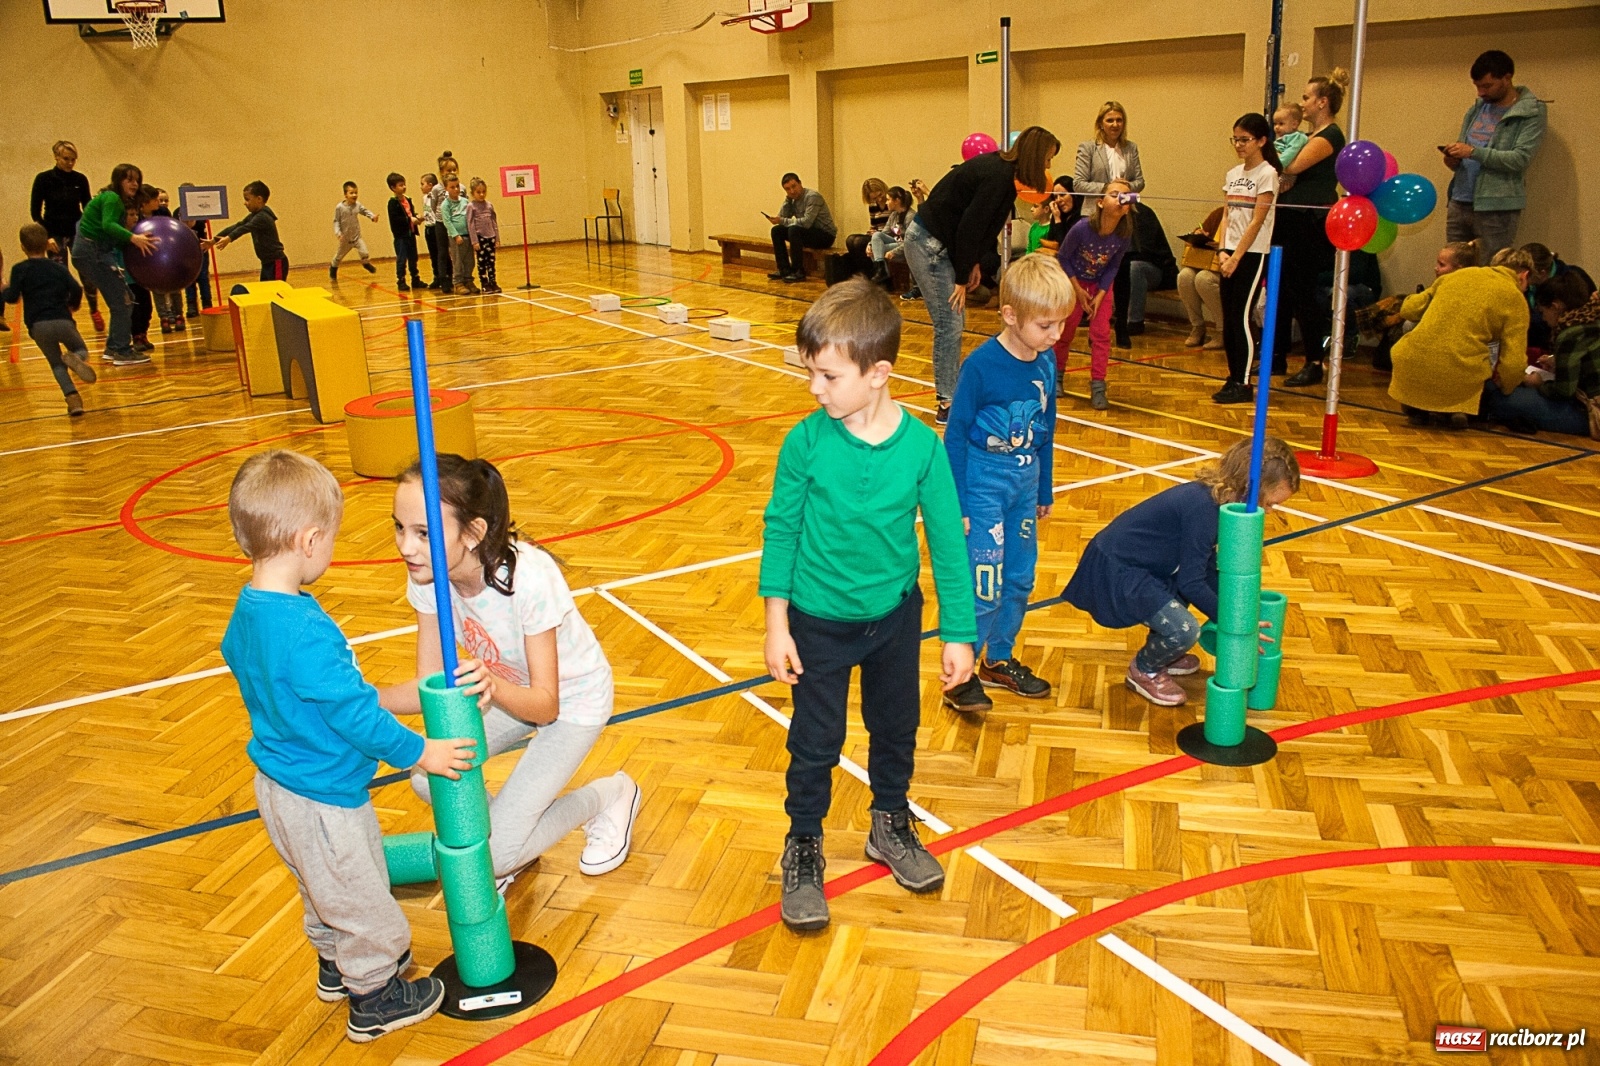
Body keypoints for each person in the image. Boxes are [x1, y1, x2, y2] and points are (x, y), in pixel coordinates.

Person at [219, 450, 475, 1042]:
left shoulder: (250, 609)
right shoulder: (303, 630)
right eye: (331, 537)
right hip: (325, 797)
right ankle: (376, 994)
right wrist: (422, 753)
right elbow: (359, 716)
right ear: (309, 540)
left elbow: (247, 665)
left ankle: (335, 966)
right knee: (361, 896)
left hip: (278, 786)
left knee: (320, 887)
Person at [760, 277, 976, 932]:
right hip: (817, 623)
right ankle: (804, 844)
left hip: (893, 620)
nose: (814, 389)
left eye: (827, 375)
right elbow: (781, 530)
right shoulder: (805, 442)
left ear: (879, 373)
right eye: (810, 373)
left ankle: (890, 824)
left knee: (895, 728)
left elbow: (946, 543)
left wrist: (958, 633)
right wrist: (777, 623)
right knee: (816, 742)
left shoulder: (921, 448)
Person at [380, 455, 641, 891]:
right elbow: (430, 687)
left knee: (497, 857)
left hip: (569, 702)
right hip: (500, 690)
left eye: (424, 533)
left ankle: (610, 795)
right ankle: (509, 836)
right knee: (428, 776)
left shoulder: (529, 578)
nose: (406, 547)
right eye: (400, 528)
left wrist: (493, 686)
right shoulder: (426, 577)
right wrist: (364, 699)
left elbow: (545, 706)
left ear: (474, 532)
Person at [1063, 438, 1299, 706]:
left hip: (1148, 566)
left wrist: (1238, 611)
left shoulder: (1217, 503)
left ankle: (1164, 652)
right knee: (1185, 630)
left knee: (1179, 599)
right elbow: (1192, 582)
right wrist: (1234, 622)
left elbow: (1205, 566)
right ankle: (1144, 669)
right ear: (1248, 490)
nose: (1268, 512)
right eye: (1269, 503)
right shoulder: (1204, 510)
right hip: (1118, 570)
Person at [941, 254, 1067, 714]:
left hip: (1024, 485)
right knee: (985, 581)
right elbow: (954, 436)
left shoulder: (1046, 361)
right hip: (983, 486)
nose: (1055, 336)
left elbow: (1047, 429)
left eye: (1060, 324)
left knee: (1019, 577)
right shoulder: (981, 366)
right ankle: (961, 674)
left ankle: (998, 658)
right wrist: (958, 504)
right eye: (1046, 325)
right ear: (1010, 316)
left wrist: (1044, 489)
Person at [905, 125, 1061, 421]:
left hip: (942, 242)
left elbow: (984, 226)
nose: (1048, 167)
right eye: (1046, 160)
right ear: (1034, 156)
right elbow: (969, 227)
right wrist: (962, 278)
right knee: (949, 322)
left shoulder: (1005, 177)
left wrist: (974, 262)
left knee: (956, 319)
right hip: (928, 243)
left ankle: (952, 391)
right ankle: (947, 402)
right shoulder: (997, 176)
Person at [1388, 250, 1531, 428]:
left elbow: (1408, 310)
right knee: (1494, 390)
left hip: (1410, 363)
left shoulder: (1456, 276)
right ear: (1524, 276)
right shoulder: (1515, 298)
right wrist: (1507, 388)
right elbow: (1513, 364)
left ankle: (1418, 405)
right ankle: (1455, 410)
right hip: (1460, 371)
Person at [1277, 69, 1348, 386]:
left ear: (1322, 102)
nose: (1302, 103)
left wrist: (1285, 171)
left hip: (1310, 220)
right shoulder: (1304, 137)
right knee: (1282, 289)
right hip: (1290, 216)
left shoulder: (1329, 136)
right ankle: (1275, 357)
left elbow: (1290, 166)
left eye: (1307, 97)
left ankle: (1314, 360)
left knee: (1304, 291)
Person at [1443, 50, 1547, 260]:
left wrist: (1472, 152)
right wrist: (1454, 160)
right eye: (1477, 86)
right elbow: (1466, 152)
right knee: (1453, 269)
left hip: (1497, 207)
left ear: (1507, 78)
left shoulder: (1530, 112)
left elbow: (1520, 159)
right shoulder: (1476, 109)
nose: (1481, 92)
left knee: (1490, 269)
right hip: (1460, 199)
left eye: (1487, 86)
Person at [1213, 113, 1281, 405]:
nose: (1239, 145)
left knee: (1241, 316)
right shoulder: (1233, 174)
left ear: (1261, 141)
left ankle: (1243, 381)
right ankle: (1233, 374)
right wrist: (1222, 250)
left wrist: (1237, 257)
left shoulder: (1267, 174)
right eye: (1236, 140)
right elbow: (1228, 214)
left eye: (1245, 140)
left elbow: (1257, 221)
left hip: (1252, 254)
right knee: (1228, 318)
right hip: (1229, 252)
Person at [1481, 270, 1599, 437]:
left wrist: (1536, 382)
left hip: (1590, 411)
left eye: (1543, 312)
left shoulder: (1570, 334)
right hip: (1588, 400)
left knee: (1501, 397)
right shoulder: (1592, 320)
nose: (1543, 318)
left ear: (1555, 307)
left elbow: (1564, 391)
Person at [1052, 180, 1134, 410]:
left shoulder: (1124, 233)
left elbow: (1113, 266)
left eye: (1126, 195)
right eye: (1115, 194)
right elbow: (1064, 257)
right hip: (1073, 284)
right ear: (1100, 202)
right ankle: (1057, 377)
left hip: (1100, 287)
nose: (1121, 199)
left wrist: (1100, 294)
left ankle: (1098, 385)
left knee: (1101, 336)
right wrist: (1077, 290)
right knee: (1065, 333)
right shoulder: (1082, 228)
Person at [2, 223, 98, 416]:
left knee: (56, 364)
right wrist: (73, 305)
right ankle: (76, 359)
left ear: (22, 247)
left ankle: (73, 401)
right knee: (80, 348)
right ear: (47, 243)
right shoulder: (58, 268)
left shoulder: (20, 269)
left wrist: (5, 289)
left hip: (38, 325)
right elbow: (76, 288)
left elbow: (12, 297)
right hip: (62, 320)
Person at [71, 162, 157, 366]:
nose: (134, 184)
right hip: (92, 252)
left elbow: (111, 233)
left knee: (124, 298)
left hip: (96, 251)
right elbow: (108, 226)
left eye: (137, 180)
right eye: (129, 179)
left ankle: (113, 347)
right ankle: (121, 350)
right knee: (123, 300)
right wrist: (134, 238)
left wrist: (132, 238)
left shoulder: (115, 200)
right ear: (118, 181)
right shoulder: (112, 198)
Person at [1362, 240, 1478, 371]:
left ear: (1459, 269)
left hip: (1443, 341)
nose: (1436, 268)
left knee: (1408, 323)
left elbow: (1409, 310)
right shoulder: (1475, 287)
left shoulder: (1444, 286)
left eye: (1441, 265)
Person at [30, 140, 102, 333]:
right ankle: (65, 315)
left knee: (88, 274)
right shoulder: (44, 179)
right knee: (59, 276)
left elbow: (87, 207)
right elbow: (35, 212)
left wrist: (91, 230)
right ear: (56, 157)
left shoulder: (80, 179)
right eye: (66, 159)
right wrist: (46, 237)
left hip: (77, 231)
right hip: (54, 233)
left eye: (73, 160)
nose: (70, 163)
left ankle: (94, 309)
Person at [1112, 199, 1177, 348]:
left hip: (1156, 268)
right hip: (1124, 266)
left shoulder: (1143, 214)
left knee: (1133, 267)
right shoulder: (1108, 217)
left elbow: (1146, 250)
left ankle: (1135, 321)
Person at [1072, 102, 1145, 227]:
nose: (1115, 125)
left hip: (1125, 214)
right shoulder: (1088, 148)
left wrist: (1125, 187)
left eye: (1119, 120)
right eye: (1110, 120)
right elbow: (1078, 184)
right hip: (1095, 214)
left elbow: (1140, 182)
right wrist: (1109, 188)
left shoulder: (1131, 148)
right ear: (1101, 123)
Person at [207, 181, 289, 282]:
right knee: (266, 292)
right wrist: (213, 240)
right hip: (267, 262)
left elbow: (245, 228)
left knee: (277, 292)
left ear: (259, 199)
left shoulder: (262, 217)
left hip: (276, 262)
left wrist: (229, 238)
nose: (245, 203)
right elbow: (238, 226)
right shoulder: (255, 215)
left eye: (247, 199)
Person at [763, 173, 837, 284]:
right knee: (777, 230)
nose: (792, 191)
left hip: (825, 235)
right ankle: (784, 269)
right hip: (807, 233)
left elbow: (806, 223)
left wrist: (782, 220)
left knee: (794, 229)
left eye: (794, 186)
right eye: (788, 189)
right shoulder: (792, 200)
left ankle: (798, 271)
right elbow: (783, 217)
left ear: (800, 183)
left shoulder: (812, 197)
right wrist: (787, 201)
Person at [1521, 243, 1594, 352]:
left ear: (1542, 273)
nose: (1522, 279)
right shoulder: (1529, 285)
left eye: (1526, 276)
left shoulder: (1574, 278)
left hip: (1569, 347)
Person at [1177, 206, 1226, 350]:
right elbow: (1204, 230)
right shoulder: (1219, 213)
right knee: (1184, 276)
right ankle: (1197, 326)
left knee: (1204, 279)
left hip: (1232, 267)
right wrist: (1198, 234)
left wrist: (1223, 247)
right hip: (1209, 263)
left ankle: (1222, 330)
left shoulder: (1249, 215)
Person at [177, 182, 213, 320]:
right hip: (185, 251)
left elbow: (198, 224)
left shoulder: (201, 211)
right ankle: (191, 305)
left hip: (201, 249)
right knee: (189, 278)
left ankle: (207, 303)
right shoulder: (177, 212)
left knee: (203, 277)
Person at [867, 185, 914, 288]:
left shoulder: (910, 216)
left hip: (905, 248)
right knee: (876, 235)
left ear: (896, 201)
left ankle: (883, 275)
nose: (886, 202)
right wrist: (870, 245)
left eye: (888, 200)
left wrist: (894, 252)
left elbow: (910, 242)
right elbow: (884, 233)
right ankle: (882, 271)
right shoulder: (893, 215)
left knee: (877, 250)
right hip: (896, 242)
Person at [385, 173, 425, 292]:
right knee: (402, 258)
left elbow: (410, 213)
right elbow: (396, 219)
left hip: (410, 234)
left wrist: (417, 217)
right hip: (401, 236)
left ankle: (415, 278)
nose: (404, 187)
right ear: (393, 188)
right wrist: (409, 220)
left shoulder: (407, 200)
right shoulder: (393, 203)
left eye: (404, 184)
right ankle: (401, 280)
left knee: (413, 257)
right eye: (400, 185)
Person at [330, 181, 378, 278]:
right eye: (351, 193)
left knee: (364, 252)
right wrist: (338, 233)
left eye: (356, 192)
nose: (354, 195)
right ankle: (333, 268)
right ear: (345, 195)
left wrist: (372, 216)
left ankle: (366, 264)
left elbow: (365, 211)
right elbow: (336, 221)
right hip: (345, 239)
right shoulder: (340, 208)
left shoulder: (357, 205)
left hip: (356, 237)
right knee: (338, 257)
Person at [441, 176, 477, 295]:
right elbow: (447, 221)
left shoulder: (465, 201)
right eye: (452, 187)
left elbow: (470, 218)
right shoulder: (445, 205)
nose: (456, 189)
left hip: (468, 236)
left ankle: (468, 280)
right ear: (446, 188)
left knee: (470, 261)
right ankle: (458, 283)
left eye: (457, 186)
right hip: (457, 238)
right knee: (458, 261)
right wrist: (455, 235)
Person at [467, 177, 501, 294]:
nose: (481, 194)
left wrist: (497, 238)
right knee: (482, 262)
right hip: (480, 238)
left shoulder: (489, 205)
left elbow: (494, 222)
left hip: (490, 237)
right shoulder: (471, 207)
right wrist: (474, 241)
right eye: (478, 192)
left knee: (491, 261)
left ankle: (493, 281)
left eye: (483, 192)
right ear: (472, 193)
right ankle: (484, 283)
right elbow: (470, 224)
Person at [420, 172, 450, 291]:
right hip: (428, 228)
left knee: (441, 254)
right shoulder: (424, 198)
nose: (420, 186)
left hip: (436, 227)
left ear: (430, 185)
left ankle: (447, 276)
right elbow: (428, 212)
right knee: (433, 254)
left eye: (422, 184)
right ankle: (436, 276)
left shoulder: (436, 196)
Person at [1272, 103, 1309, 169]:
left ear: (1294, 124)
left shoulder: (1297, 137)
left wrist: (1277, 166)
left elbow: (1290, 153)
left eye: (1281, 124)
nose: (1277, 127)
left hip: (1284, 170)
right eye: (1275, 124)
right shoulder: (1285, 137)